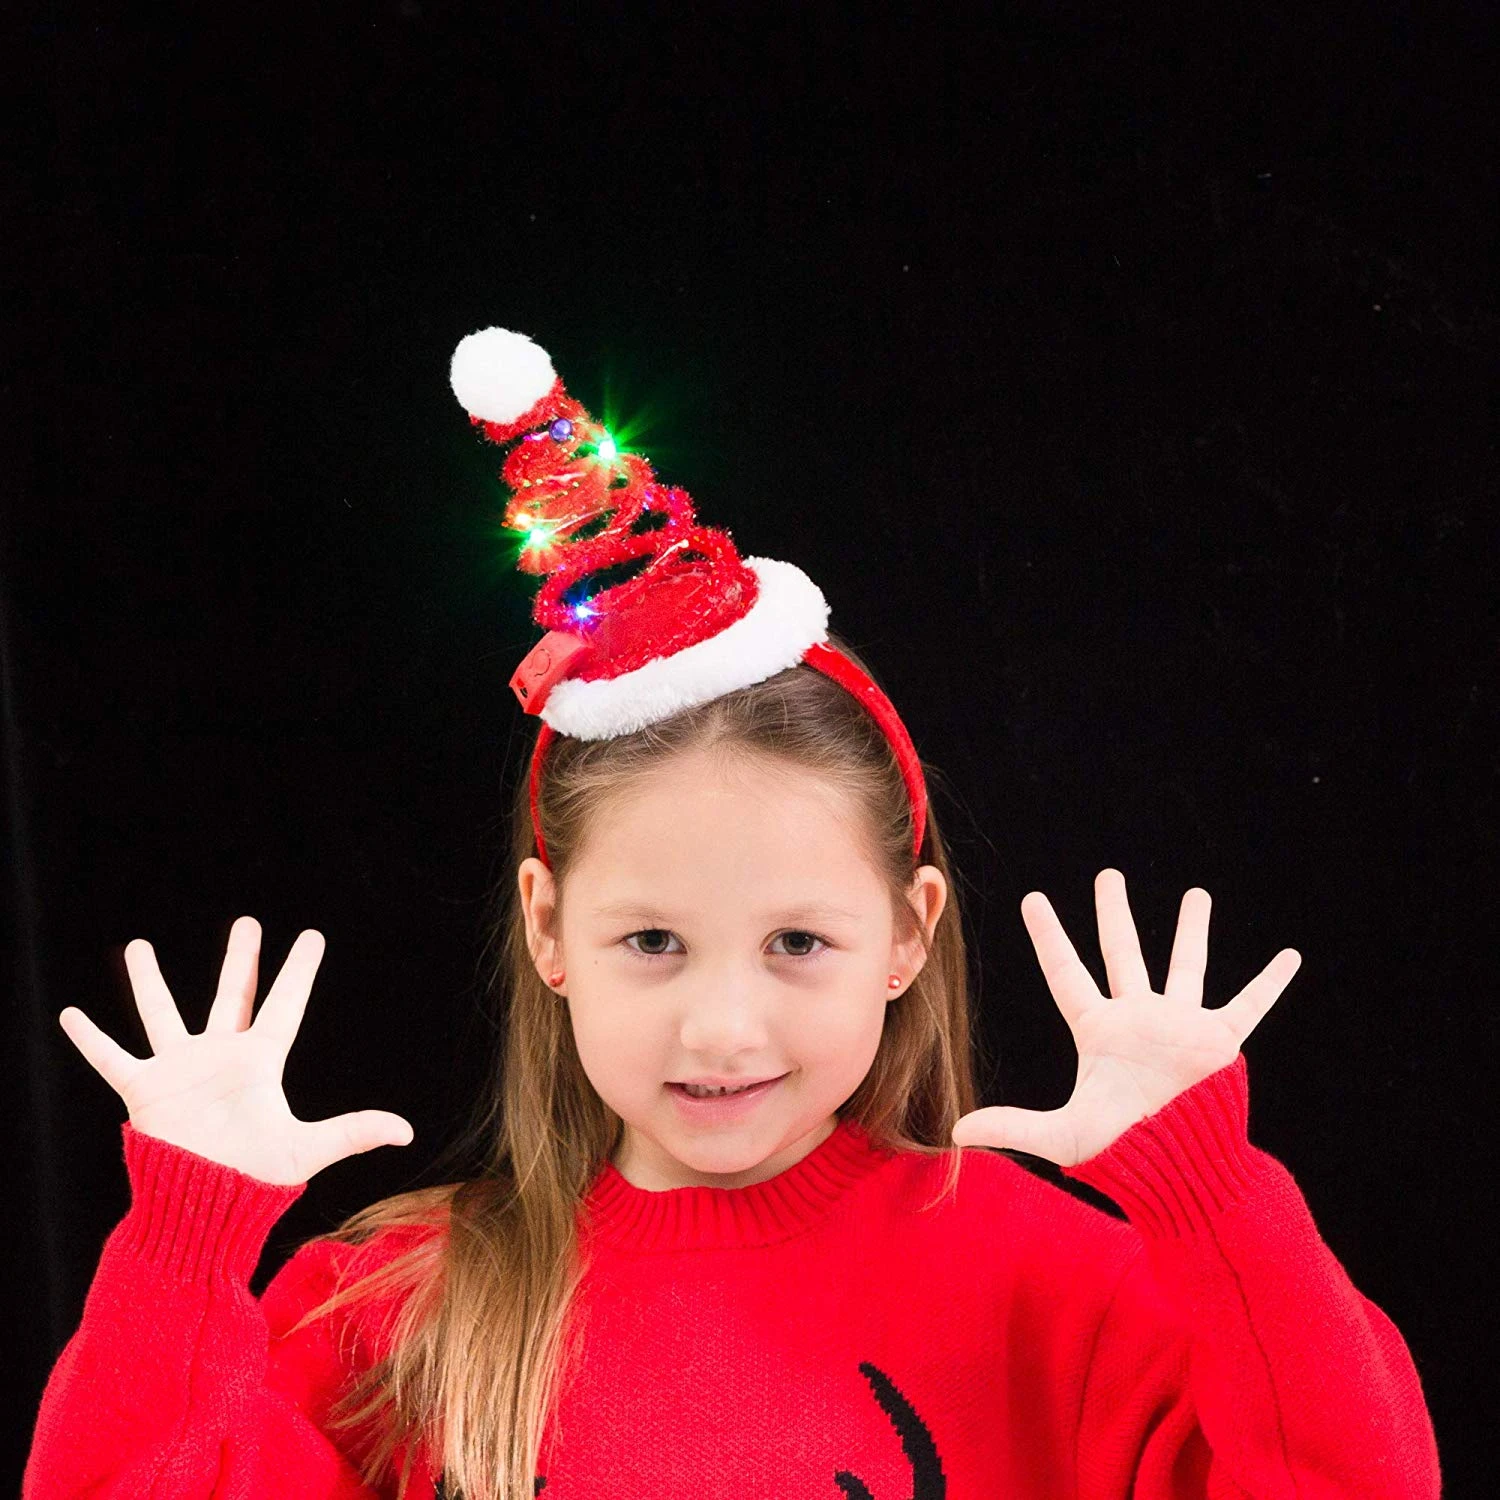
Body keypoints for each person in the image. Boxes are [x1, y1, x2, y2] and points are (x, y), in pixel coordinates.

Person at [24, 330, 1442, 1500]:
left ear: (908, 933)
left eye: (797, 944)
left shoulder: (1047, 1287)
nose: (721, 1026)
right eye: (653, 942)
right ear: (547, 929)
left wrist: (1212, 1198)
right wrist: (183, 1244)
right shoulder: (393, 1311)